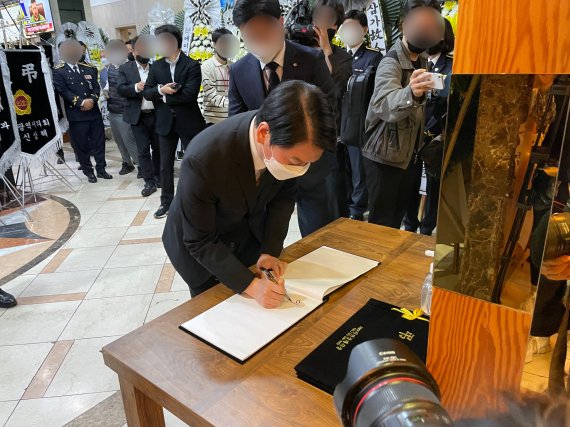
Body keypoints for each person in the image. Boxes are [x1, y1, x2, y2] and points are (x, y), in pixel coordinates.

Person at [163, 80, 337, 307]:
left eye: (308, 162)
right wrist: (251, 286)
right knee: (215, 312)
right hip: (199, 245)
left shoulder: (287, 140)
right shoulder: (205, 158)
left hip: (243, 231)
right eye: (296, 160)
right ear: (264, 133)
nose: (300, 169)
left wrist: (269, 251)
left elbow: (283, 199)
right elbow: (199, 240)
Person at [229, 0, 337, 237]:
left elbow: (329, 108)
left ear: (280, 22)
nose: (259, 38)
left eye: (264, 31)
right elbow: (237, 121)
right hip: (267, 166)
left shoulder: (311, 59)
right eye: (251, 34)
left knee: (318, 230)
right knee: (266, 231)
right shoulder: (239, 70)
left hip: (308, 165)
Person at [363, 0, 444, 229]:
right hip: (384, 157)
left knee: (397, 220)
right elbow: (382, 104)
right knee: (382, 224)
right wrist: (412, 92)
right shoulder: (391, 62)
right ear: (404, 25)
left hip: (408, 157)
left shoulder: (422, 60)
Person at [143, 24, 205, 219]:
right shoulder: (157, 66)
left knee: (196, 163)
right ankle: (166, 202)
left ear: (175, 41)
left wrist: (163, 96)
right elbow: (147, 92)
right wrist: (161, 91)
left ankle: (199, 201)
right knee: (165, 165)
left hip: (189, 121)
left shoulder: (192, 65)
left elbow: (189, 95)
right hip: (164, 122)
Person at [403, 17, 454, 235]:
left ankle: (426, 228)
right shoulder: (414, 61)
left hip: (434, 137)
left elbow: (448, 100)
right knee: (409, 184)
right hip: (411, 136)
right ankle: (409, 224)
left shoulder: (452, 65)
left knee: (433, 187)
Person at [338, 10, 382, 220]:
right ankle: (344, 206)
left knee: (358, 171)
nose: (348, 31)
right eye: (345, 26)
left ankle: (357, 210)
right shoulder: (337, 55)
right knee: (342, 170)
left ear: (364, 29)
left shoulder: (373, 57)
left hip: (358, 124)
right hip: (338, 122)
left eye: (354, 26)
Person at [312, 0, 354, 220]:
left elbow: (336, 87)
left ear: (335, 27)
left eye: (326, 19)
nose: (319, 23)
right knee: (307, 197)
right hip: (301, 129)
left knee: (332, 192)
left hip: (329, 133)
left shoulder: (342, 57)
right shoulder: (299, 52)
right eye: (317, 17)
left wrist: (326, 49)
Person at [53, 39, 112, 183]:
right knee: (82, 145)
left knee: (99, 143)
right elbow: (63, 91)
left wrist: (91, 99)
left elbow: (96, 87)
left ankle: (101, 169)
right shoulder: (59, 71)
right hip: (76, 115)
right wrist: (81, 102)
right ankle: (88, 171)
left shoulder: (89, 68)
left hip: (93, 112)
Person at [118, 35, 161, 197]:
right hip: (138, 116)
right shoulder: (125, 68)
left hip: (156, 114)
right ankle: (148, 181)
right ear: (135, 51)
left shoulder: (156, 66)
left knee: (158, 148)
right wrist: (136, 87)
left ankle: (158, 177)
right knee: (143, 150)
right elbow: (121, 89)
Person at [102, 39, 139, 176]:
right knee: (118, 140)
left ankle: (140, 165)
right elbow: (106, 87)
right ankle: (126, 163)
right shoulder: (108, 68)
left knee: (129, 140)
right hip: (113, 109)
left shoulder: (130, 67)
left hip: (125, 109)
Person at [201, 28, 239, 125]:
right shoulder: (207, 66)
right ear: (214, 44)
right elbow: (211, 95)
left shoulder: (234, 66)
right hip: (214, 120)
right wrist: (234, 105)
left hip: (232, 117)